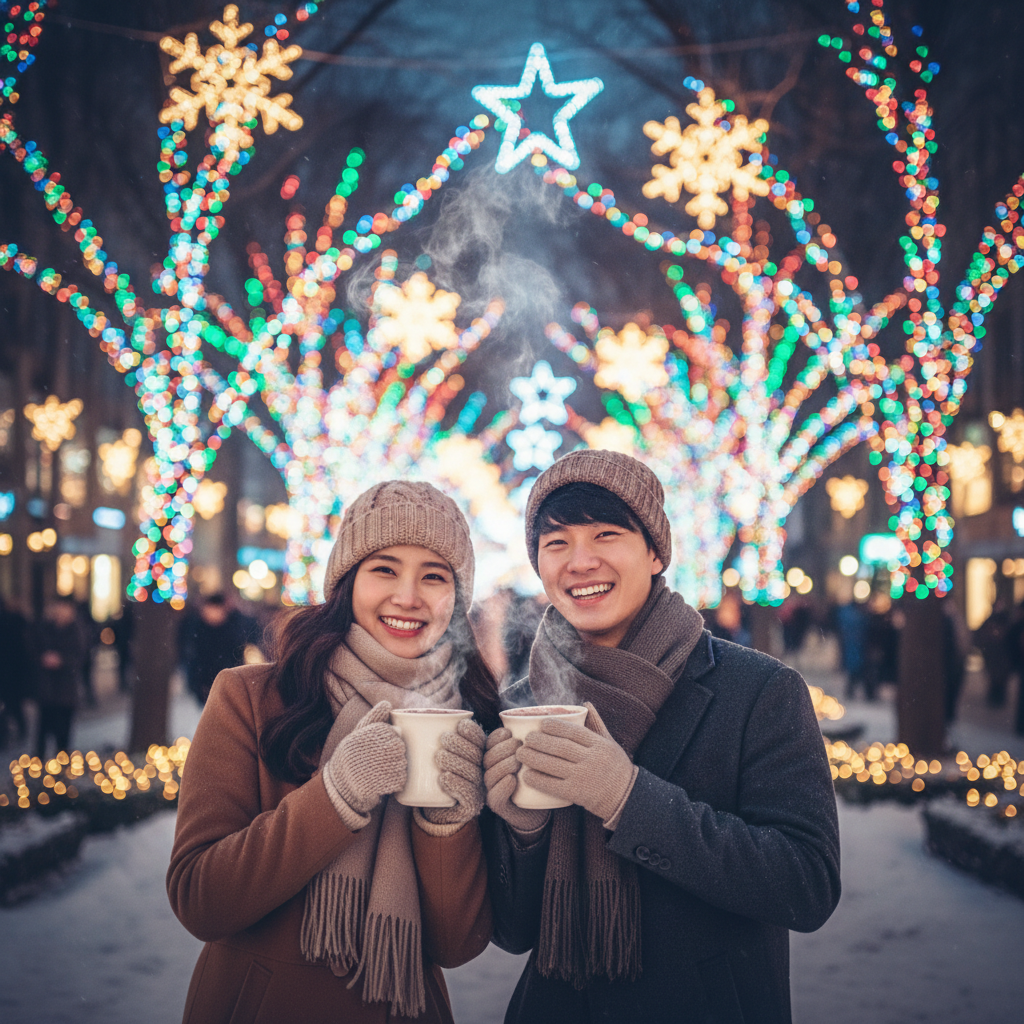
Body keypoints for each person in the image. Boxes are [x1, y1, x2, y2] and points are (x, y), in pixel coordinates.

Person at [482, 450, 840, 1024]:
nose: (581, 561)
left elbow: (806, 883)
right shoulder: (525, 700)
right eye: (556, 543)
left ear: (654, 552)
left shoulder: (758, 690)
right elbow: (514, 929)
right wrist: (521, 832)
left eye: (605, 534)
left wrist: (628, 799)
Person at [168, 481, 498, 1023]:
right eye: (385, 569)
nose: (409, 596)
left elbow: (458, 944)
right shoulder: (252, 698)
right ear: (347, 583)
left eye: (434, 576)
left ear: (456, 601)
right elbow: (201, 898)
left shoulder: (471, 718)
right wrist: (336, 795)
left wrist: (448, 821)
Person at [177, 592, 259, 704]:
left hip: (225, 679)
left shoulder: (233, 626)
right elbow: (192, 654)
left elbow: (237, 651)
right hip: (205, 680)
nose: (213, 614)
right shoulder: (197, 626)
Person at [33, 597, 88, 759]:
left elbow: (80, 657)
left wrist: (61, 661)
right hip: (47, 688)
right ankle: (39, 762)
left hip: (66, 689)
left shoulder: (77, 630)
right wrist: (43, 659)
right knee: (43, 729)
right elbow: (34, 647)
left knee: (63, 730)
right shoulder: (46, 627)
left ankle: (62, 762)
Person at [0, 595, 32, 748]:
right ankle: (17, 732)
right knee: (13, 705)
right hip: (12, 671)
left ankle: (8, 735)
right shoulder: (16, 620)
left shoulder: (12, 621)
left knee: (10, 705)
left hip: (9, 670)